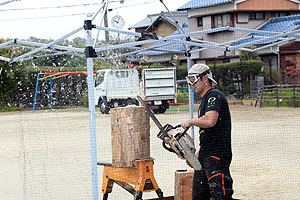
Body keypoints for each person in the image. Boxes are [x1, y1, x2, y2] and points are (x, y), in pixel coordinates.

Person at [181, 64, 234, 200]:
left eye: (193, 79)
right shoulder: (205, 100)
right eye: (189, 80)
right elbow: (208, 132)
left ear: (205, 78)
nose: (191, 84)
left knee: (219, 195)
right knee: (199, 195)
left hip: (217, 155)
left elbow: (210, 120)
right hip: (207, 154)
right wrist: (198, 153)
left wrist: (191, 122)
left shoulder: (214, 95)